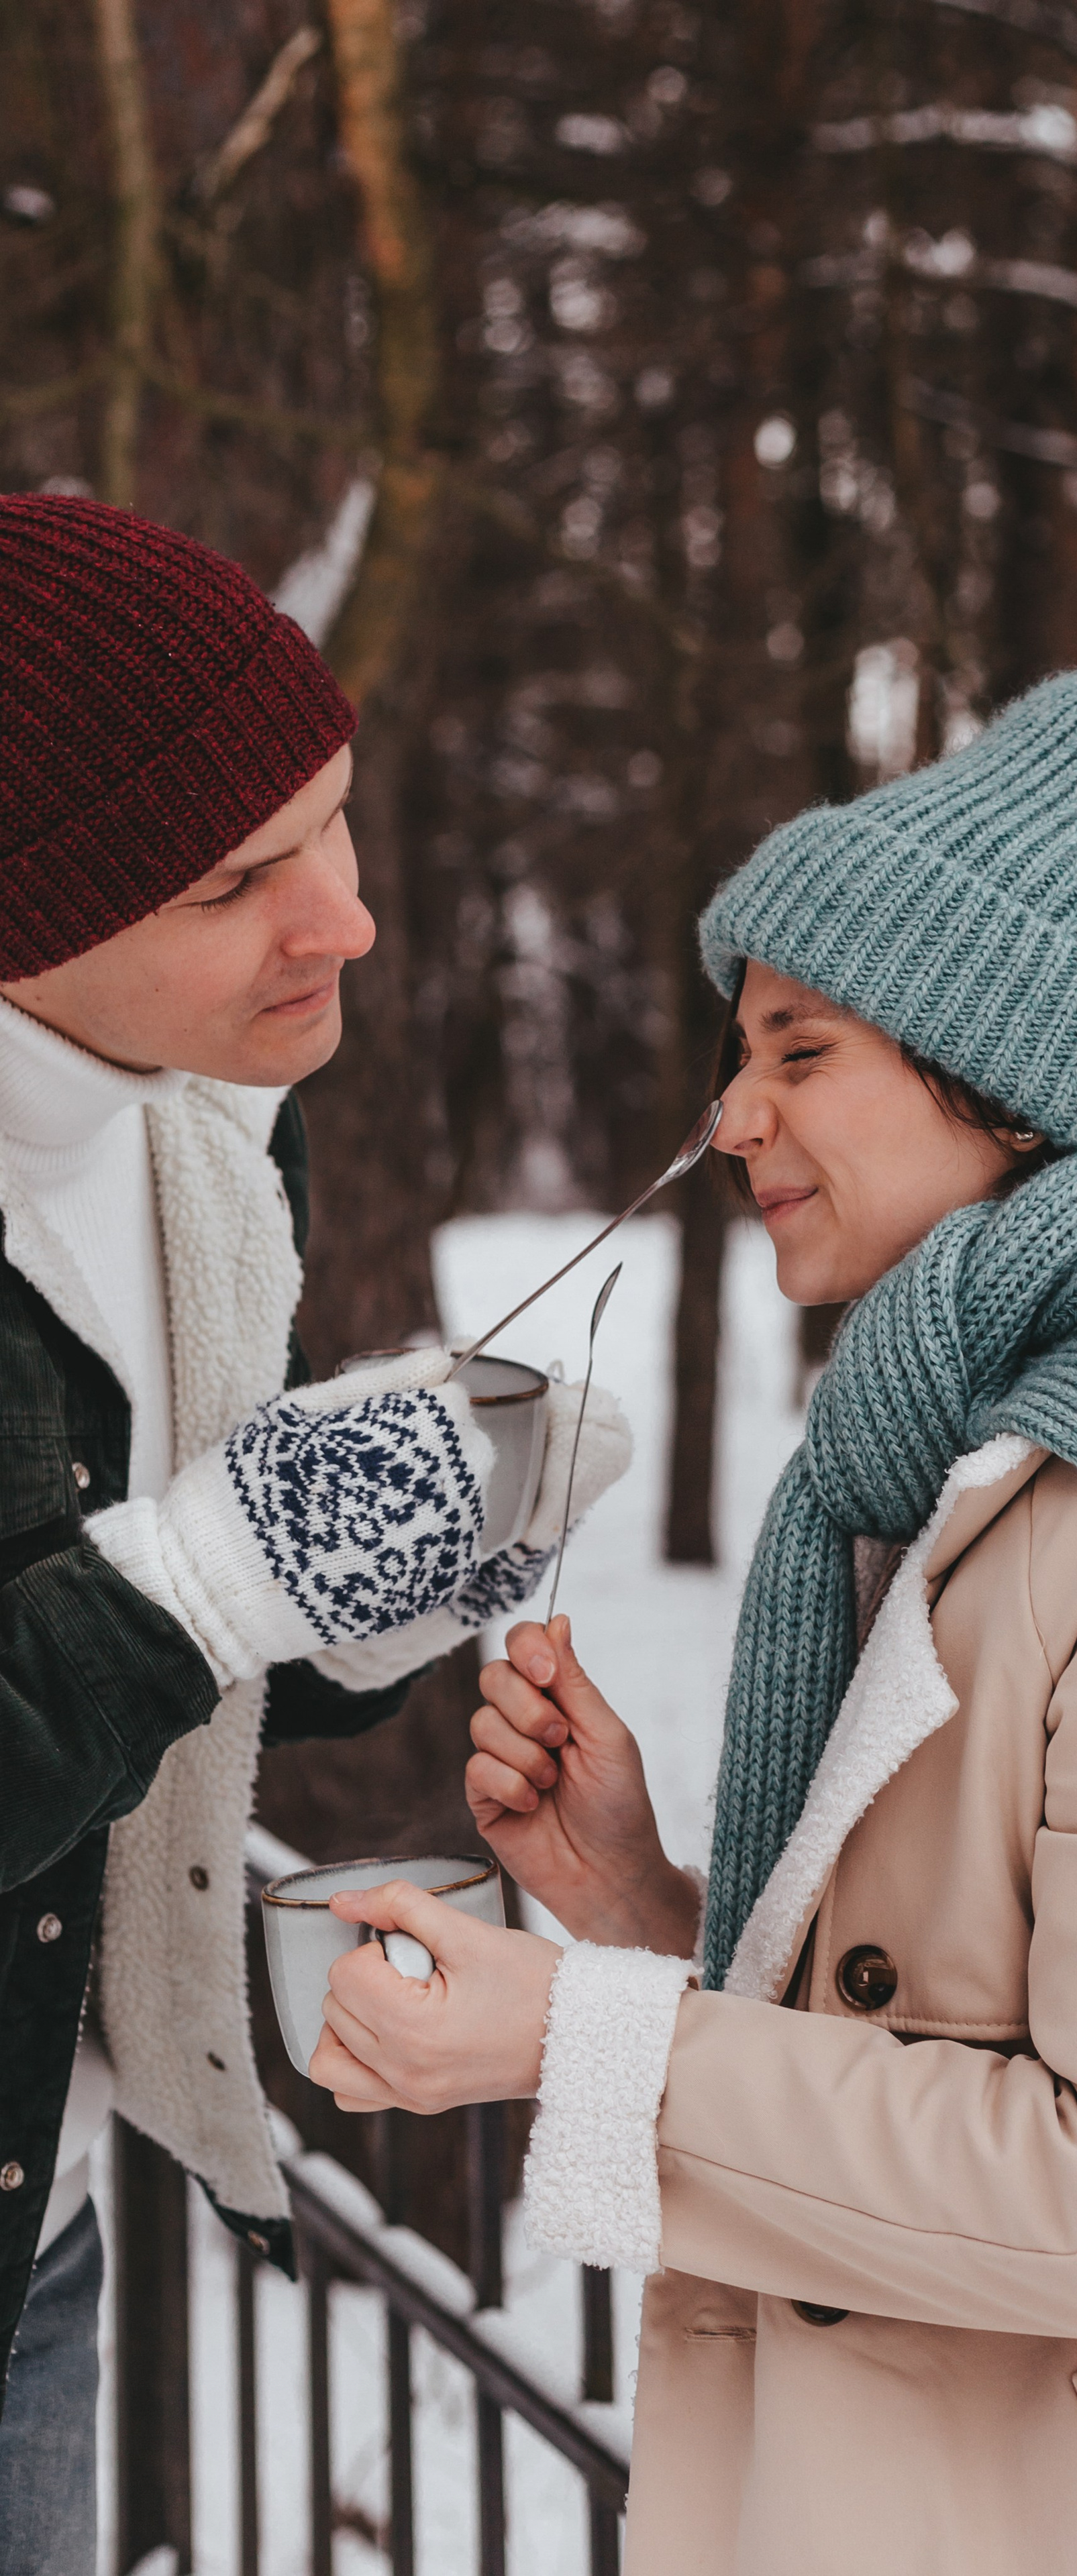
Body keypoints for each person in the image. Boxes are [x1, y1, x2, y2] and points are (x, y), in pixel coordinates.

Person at [309, 669, 1077, 2575]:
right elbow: (963, 2024)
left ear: (1005, 1068)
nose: (732, 1120)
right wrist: (643, 1901)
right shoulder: (961, 1465)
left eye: (799, 1051)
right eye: (741, 1057)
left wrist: (582, 2035)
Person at [0, 494, 629, 2576]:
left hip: (48, 2220)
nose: (343, 919)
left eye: (333, 822)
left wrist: (371, 1584)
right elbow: (160, 1571)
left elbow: (136, 1577)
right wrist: (225, 1565)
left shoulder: (184, 1119)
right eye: (234, 878)